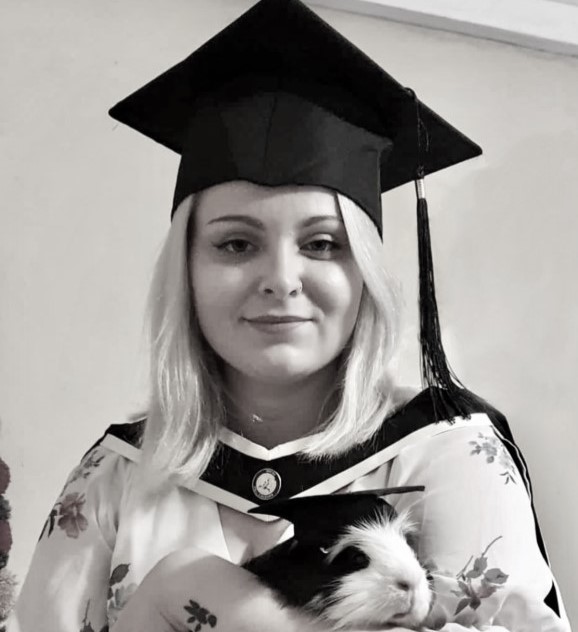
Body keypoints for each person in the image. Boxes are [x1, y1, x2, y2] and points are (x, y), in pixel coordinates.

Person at [10, 0, 571, 631]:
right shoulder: (121, 473)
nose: (280, 279)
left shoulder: (446, 455)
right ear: (186, 271)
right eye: (236, 244)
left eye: (323, 244)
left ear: (364, 272)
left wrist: (210, 601)